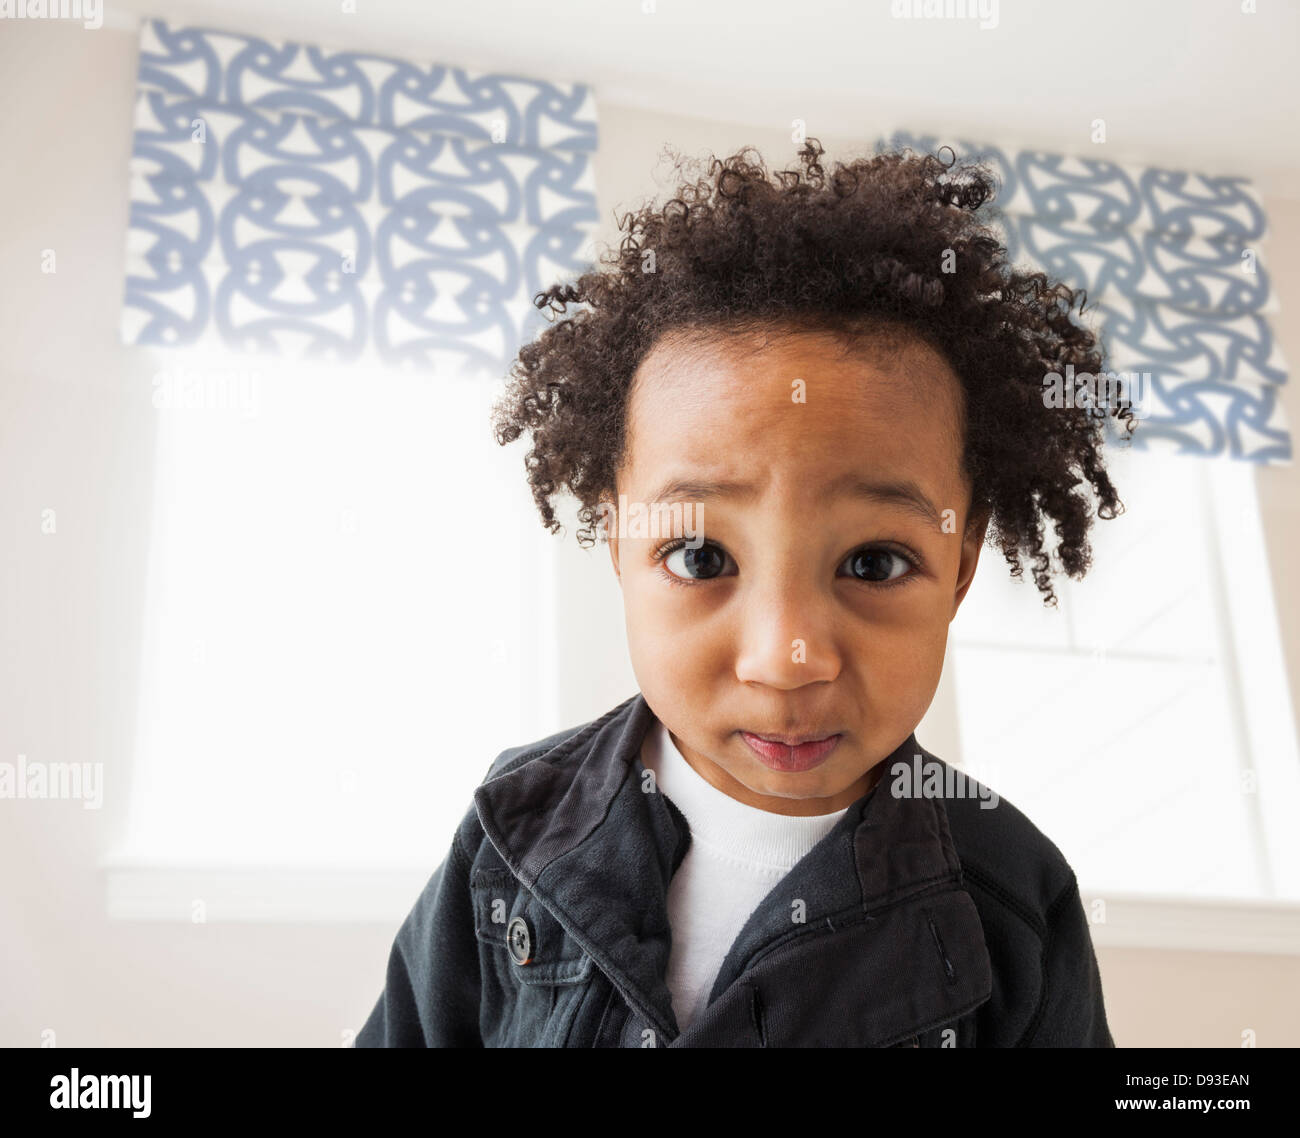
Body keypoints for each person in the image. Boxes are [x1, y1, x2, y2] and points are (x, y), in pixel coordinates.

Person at [355, 139, 1128, 1047]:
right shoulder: (515, 828)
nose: (785, 659)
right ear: (617, 541)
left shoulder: (1014, 907)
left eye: (873, 563)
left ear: (959, 567)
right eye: (700, 557)